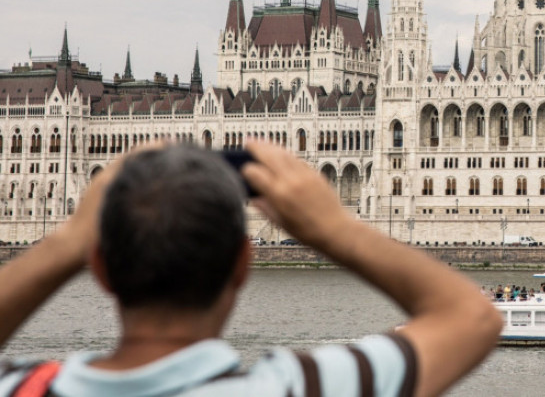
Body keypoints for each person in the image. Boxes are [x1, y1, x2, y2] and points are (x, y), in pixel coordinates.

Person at [0, 141, 503, 396]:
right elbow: (470, 318)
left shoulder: (28, 388)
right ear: (243, 265)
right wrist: (330, 227)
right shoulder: (295, 387)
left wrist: (66, 239)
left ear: (100, 268)